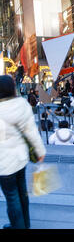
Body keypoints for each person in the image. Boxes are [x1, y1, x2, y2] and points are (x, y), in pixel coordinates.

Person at [0, 75, 46, 229]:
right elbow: (31, 131)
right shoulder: (22, 104)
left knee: (12, 198)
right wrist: (40, 151)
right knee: (22, 193)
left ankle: (17, 226)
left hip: (4, 163)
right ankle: (25, 225)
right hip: (20, 158)